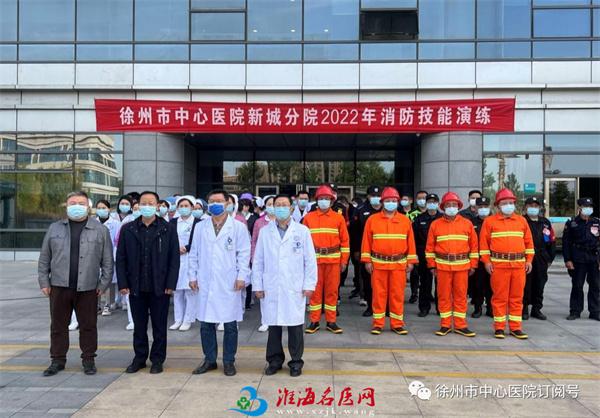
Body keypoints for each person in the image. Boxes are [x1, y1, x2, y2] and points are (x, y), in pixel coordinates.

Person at [38, 191, 114, 376]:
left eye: (81, 203)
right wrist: (44, 282)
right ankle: (57, 360)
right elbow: (44, 258)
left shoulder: (100, 230)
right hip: (59, 286)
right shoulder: (54, 228)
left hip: (88, 287)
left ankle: (88, 360)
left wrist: (103, 285)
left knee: (88, 326)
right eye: (73, 203)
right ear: (66, 206)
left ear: (88, 207)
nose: (76, 206)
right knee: (58, 326)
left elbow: (107, 261)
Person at [252, 195, 317, 377]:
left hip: (294, 285)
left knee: (295, 327)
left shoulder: (302, 231)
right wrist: (258, 285)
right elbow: (258, 260)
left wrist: (309, 284)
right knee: (274, 327)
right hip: (271, 285)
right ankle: (274, 361)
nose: (280, 208)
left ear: (291, 208)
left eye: (284, 205)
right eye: (277, 205)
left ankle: (296, 362)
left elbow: (310, 260)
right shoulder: (265, 232)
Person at [188, 189, 251, 377]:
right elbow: (194, 253)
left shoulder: (238, 227)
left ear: (227, 203)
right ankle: (209, 360)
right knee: (206, 323)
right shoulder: (200, 227)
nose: (215, 204)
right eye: (212, 201)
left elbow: (244, 254)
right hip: (205, 280)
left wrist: (242, 276)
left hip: (229, 281)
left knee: (230, 324)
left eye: (219, 201)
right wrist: (192, 276)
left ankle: (229, 361)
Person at [116, 191, 180, 374]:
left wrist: (171, 284)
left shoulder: (168, 228)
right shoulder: (128, 229)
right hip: (136, 285)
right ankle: (140, 358)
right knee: (139, 326)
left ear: (158, 205)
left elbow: (174, 259)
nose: (147, 206)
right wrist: (123, 283)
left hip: (160, 286)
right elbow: (121, 258)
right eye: (143, 203)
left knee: (159, 326)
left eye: (151, 203)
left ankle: (157, 359)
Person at [361, 186, 417, 335]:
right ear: (382, 202)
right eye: (388, 200)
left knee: (397, 294)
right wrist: (367, 260)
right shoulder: (372, 220)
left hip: (398, 264)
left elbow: (411, 242)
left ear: (397, 202)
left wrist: (411, 261)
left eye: (393, 200)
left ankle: (397, 324)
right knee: (378, 294)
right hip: (378, 263)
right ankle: (378, 324)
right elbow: (366, 241)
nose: (390, 203)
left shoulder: (405, 220)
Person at [479, 188, 534, 340]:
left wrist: (529, 260)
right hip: (499, 266)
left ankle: (516, 328)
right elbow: (483, 245)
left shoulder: (522, 221)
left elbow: (529, 243)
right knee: (499, 297)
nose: (508, 205)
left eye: (511, 202)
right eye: (504, 203)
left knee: (517, 297)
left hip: (519, 265)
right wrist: (486, 262)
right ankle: (499, 328)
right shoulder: (489, 221)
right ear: (497, 205)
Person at [425, 192, 479, 337]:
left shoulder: (467, 224)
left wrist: (473, 265)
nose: (451, 207)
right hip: (442, 266)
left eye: (454, 205)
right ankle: (445, 325)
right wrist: (431, 265)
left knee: (461, 296)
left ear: (459, 206)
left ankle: (461, 325)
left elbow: (474, 246)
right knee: (443, 296)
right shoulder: (435, 224)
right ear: (443, 207)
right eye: (448, 205)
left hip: (462, 266)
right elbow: (429, 248)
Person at [302, 185, 349, 334]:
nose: (324, 201)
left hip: (333, 261)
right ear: (316, 200)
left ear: (332, 201)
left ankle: (331, 321)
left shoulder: (339, 218)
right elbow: (303, 242)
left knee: (332, 292)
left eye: (327, 198)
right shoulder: (308, 218)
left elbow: (345, 242)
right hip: (314, 262)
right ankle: (314, 321)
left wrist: (344, 261)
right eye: (321, 198)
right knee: (315, 292)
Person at [563, 197, 599, 321]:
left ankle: (595, 311)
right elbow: (566, 242)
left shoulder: (596, 222)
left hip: (594, 258)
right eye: (585, 207)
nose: (588, 209)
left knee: (595, 285)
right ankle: (575, 311)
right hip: (578, 258)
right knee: (577, 286)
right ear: (579, 208)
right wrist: (567, 260)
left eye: (590, 207)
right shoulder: (572, 223)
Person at [349, 186, 382, 316]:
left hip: (383, 251)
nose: (376, 198)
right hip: (366, 250)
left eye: (378, 195)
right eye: (373, 196)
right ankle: (370, 305)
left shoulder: (386, 210)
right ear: (368, 197)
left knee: (383, 282)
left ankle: (384, 306)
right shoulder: (360, 210)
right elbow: (354, 232)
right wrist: (356, 250)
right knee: (367, 280)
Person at [169, 196, 200, 332]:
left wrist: (187, 248)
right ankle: (178, 319)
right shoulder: (173, 222)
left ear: (192, 207)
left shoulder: (198, 223)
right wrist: (175, 248)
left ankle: (188, 319)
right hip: (176, 258)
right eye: (181, 206)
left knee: (190, 291)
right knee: (177, 291)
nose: (183, 208)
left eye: (186, 206)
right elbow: (168, 239)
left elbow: (199, 240)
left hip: (191, 258)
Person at [522, 197, 556, 320]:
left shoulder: (545, 222)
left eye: (536, 206)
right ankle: (524, 309)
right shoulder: (521, 221)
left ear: (540, 208)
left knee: (540, 283)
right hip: (526, 257)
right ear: (525, 207)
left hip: (541, 257)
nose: (533, 208)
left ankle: (536, 309)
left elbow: (551, 241)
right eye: (530, 206)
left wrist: (549, 259)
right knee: (525, 284)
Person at [413, 193, 442, 317]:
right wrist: (415, 255)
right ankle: (424, 308)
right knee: (425, 283)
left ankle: (441, 308)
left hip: (440, 255)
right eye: (429, 202)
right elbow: (413, 239)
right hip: (423, 255)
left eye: (434, 202)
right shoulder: (419, 219)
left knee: (441, 284)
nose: (432, 204)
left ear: (438, 203)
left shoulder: (443, 218)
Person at [251, 195, 276, 333]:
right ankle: (265, 321)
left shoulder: (285, 221)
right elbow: (254, 241)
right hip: (264, 262)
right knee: (264, 292)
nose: (272, 207)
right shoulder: (259, 222)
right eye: (269, 204)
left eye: (274, 204)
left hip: (280, 262)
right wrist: (253, 258)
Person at [95, 200, 121, 316]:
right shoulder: (93, 223)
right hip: (95, 256)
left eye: (104, 208)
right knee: (95, 281)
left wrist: (114, 256)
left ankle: (107, 305)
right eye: (99, 208)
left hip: (110, 255)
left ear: (109, 209)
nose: (101, 210)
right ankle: (97, 305)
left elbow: (117, 241)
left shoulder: (116, 224)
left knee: (108, 281)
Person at [469, 197, 493, 318]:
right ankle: (477, 308)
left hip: (492, 259)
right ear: (476, 208)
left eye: (485, 206)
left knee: (491, 285)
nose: (483, 209)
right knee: (477, 285)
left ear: (489, 207)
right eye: (480, 206)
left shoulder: (495, 221)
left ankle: (490, 308)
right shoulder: (471, 223)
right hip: (477, 258)